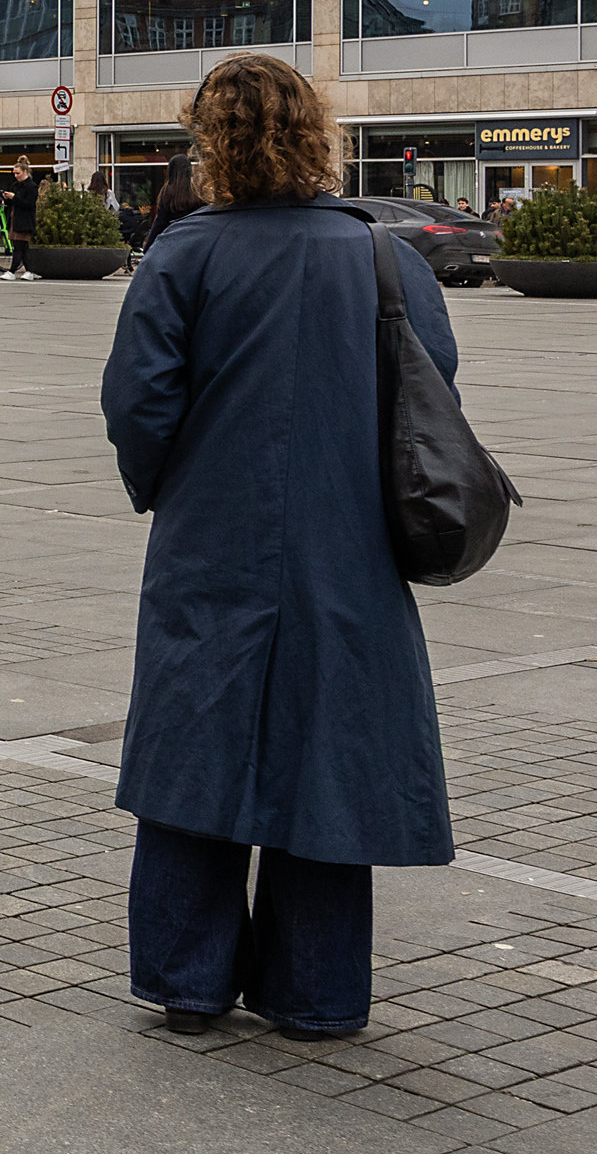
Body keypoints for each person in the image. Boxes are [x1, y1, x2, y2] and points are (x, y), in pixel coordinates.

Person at [104, 53, 454, 1039]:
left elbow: (137, 402)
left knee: (195, 747)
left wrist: (172, 479)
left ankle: (190, 979)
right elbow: (436, 392)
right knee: (330, 754)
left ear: (209, 142)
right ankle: (317, 991)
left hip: (214, 537)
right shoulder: (386, 257)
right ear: (318, 135)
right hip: (350, 541)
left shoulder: (184, 254)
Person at [145, 154, 203, 251]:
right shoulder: (197, 190)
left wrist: (148, 246)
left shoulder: (167, 191)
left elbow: (160, 222)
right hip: (194, 238)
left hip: (173, 240)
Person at [1, 157, 43, 281]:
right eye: (14, 173)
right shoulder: (15, 185)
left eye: (17, 173)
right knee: (23, 247)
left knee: (19, 246)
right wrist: (7, 199)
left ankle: (12, 270)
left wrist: (14, 197)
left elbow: (29, 204)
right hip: (14, 219)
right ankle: (29, 271)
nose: (15, 175)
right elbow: (14, 203)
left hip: (24, 220)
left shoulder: (31, 186)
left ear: (25, 172)